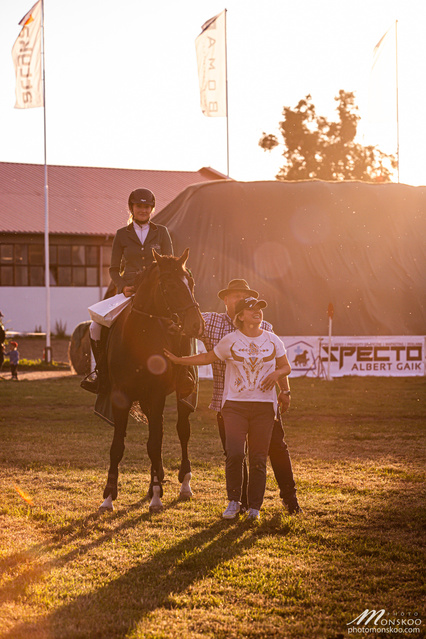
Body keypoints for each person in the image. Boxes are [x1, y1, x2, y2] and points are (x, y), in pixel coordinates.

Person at [165, 296, 291, 520]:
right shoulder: (230, 339)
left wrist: (276, 374)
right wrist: (178, 360)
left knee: (258, 459)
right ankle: (234, 502)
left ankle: (254, 509)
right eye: (251, 309)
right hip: (234, 406)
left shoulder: (273, 340)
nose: (257, 312)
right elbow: (207, 357)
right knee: (234, 454)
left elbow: (286, 367)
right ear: (240, 316)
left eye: (260, 309)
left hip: (264, 408)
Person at [201, 279, 302, 515]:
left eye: (244, 296)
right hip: (226, 402)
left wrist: (284, 390)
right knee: (235, 454)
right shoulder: (210, 322)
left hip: (263, 402)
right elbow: (187, 323)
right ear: (225, 300)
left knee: (276, 448)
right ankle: (242, 502)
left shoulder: (263, 325)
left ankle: (290, 498)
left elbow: (277, 359)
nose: (239, 299)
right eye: (234, 296)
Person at [81, 188, 193, 396]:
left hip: (157, 293)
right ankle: (102, 374)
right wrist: (123, 286)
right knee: (96, 327)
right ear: (131, 208)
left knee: (178, 326)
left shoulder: (162, 232)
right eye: (139, 206)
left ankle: (183, 374)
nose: (143, 210)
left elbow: (169, 264)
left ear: (151, 209)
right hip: (130, 291)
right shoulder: (122, 235)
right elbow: (114, 268)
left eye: (146, 207)